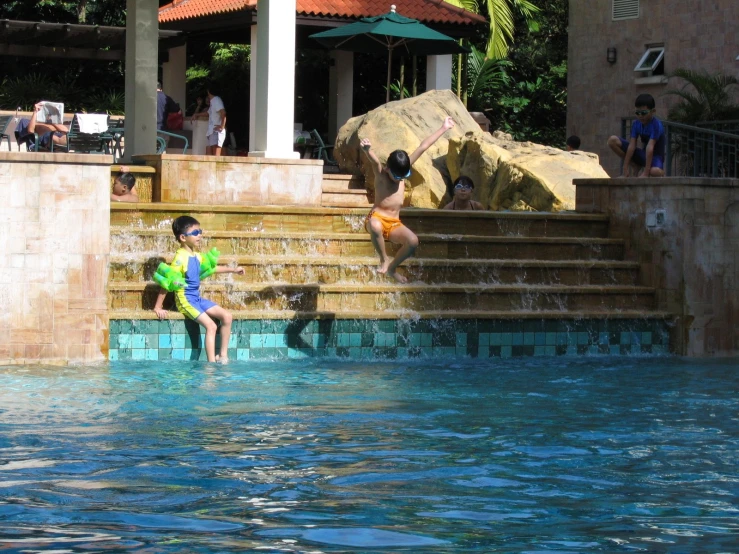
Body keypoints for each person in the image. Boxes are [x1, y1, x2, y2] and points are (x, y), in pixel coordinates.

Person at [360, 116, 456, 282]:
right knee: (375, 225)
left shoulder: (403, 169)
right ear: (388, 169)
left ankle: (392, 268)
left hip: (394, 224)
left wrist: (443, 128)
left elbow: (423, 146)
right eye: (397, 176)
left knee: (413, 241)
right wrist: (368, 150)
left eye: (405, 175)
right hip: (376, 219)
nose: (400, 179)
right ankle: (384, 259)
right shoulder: (381, 175)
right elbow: (374, 161)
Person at [153, 216, 245, 363]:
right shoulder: (180, 258)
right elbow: (169, 282)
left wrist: (233, 270)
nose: (200, 235)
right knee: (211, 325)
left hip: (196, 298)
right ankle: (211, 365)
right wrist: (158, 307)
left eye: (200, 231)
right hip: (185, 300)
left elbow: (212, 268)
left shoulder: (196, 255)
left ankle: (223, 355)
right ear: (183, 237)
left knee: (227, 317)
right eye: (195, 233)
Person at [607, 93, 665, 177]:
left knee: (654, 171)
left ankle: (660, 172)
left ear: (653, 111)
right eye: (638, 113)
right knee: (612, 140)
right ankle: (635, 165)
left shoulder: (656, 125)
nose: (640, 116)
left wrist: (646, 172)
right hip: (644, 155)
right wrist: (625, 167)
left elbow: (650, 148)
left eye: (644, 113)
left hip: (655, 158)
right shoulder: (636, 124)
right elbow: (632, 146)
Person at [191, 85, 226, 155]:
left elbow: (223, 113)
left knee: (216, 155)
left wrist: (222, 126)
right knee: (212, 154)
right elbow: (208, 113)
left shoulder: (216, 100)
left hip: (217, 131)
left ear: (208, 91)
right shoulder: (213, 101)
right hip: (213, 131)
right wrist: (196, 115)